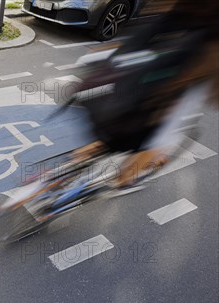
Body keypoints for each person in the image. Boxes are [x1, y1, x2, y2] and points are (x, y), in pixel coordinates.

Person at [72, 0, 219, 189]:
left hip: (121, 78)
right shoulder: (208, 44)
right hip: (156, 95)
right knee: (161, 136)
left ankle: (82, 156)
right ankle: (124, 179)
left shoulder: (175, 11)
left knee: (125, 108)